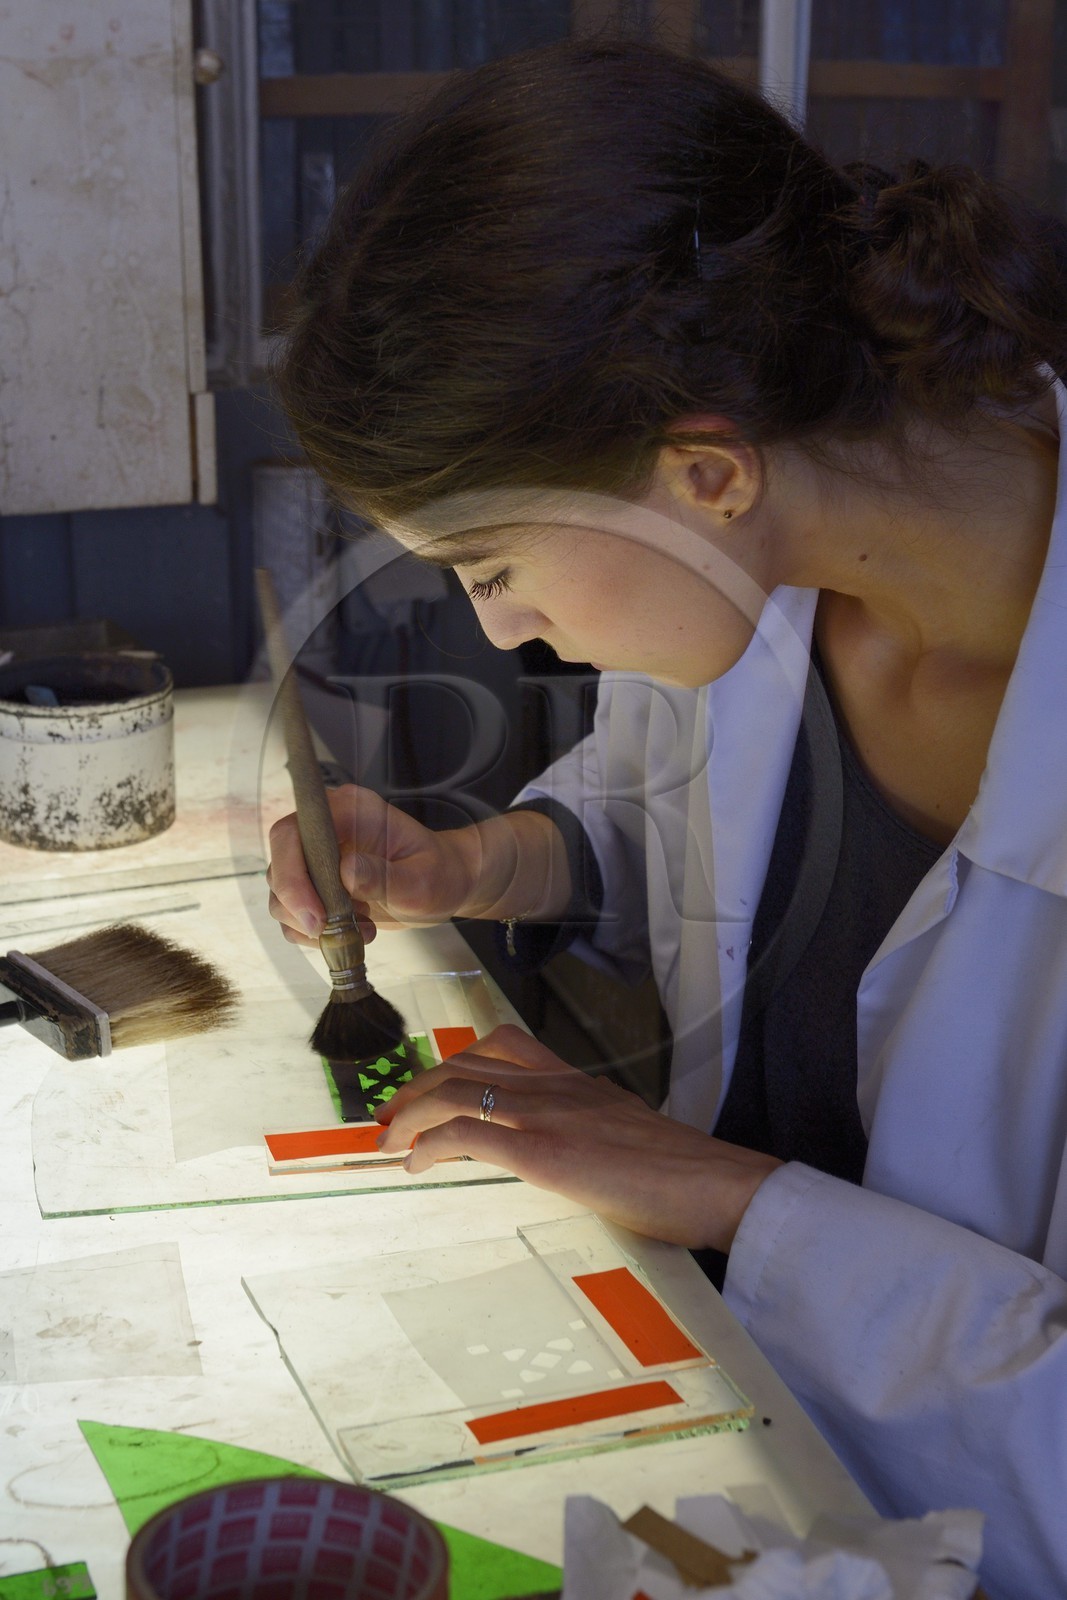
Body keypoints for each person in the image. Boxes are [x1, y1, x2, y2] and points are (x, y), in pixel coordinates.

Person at [265, 39, 1067, 1597]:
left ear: (702, 467)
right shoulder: (764, 568)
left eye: (494, 566)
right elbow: (664, 816)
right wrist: (487, 860)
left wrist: (717, 1190)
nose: (501, 635)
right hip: (738, 1439)